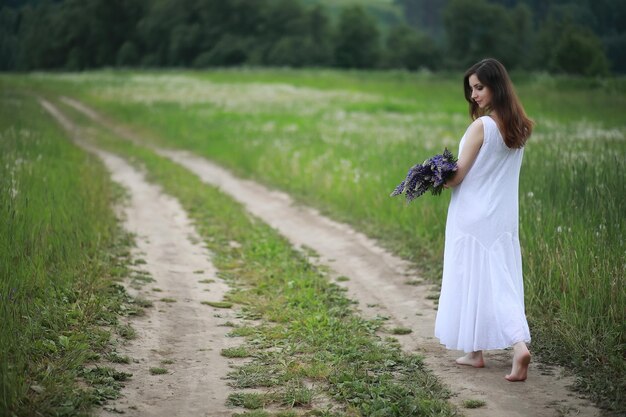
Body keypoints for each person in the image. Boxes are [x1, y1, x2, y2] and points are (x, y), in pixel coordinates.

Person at [434, 58, 534, 382]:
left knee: (475, 278)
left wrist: (435, 176)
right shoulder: (518, 127)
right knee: (494, 280)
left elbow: (458, 176)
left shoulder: (482, 127)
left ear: (496, 87)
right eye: (471, 89)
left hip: (472, 216)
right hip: (502, 220)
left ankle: (518, 347)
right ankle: (475, 352)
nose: (474, 95)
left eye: (480, 87)